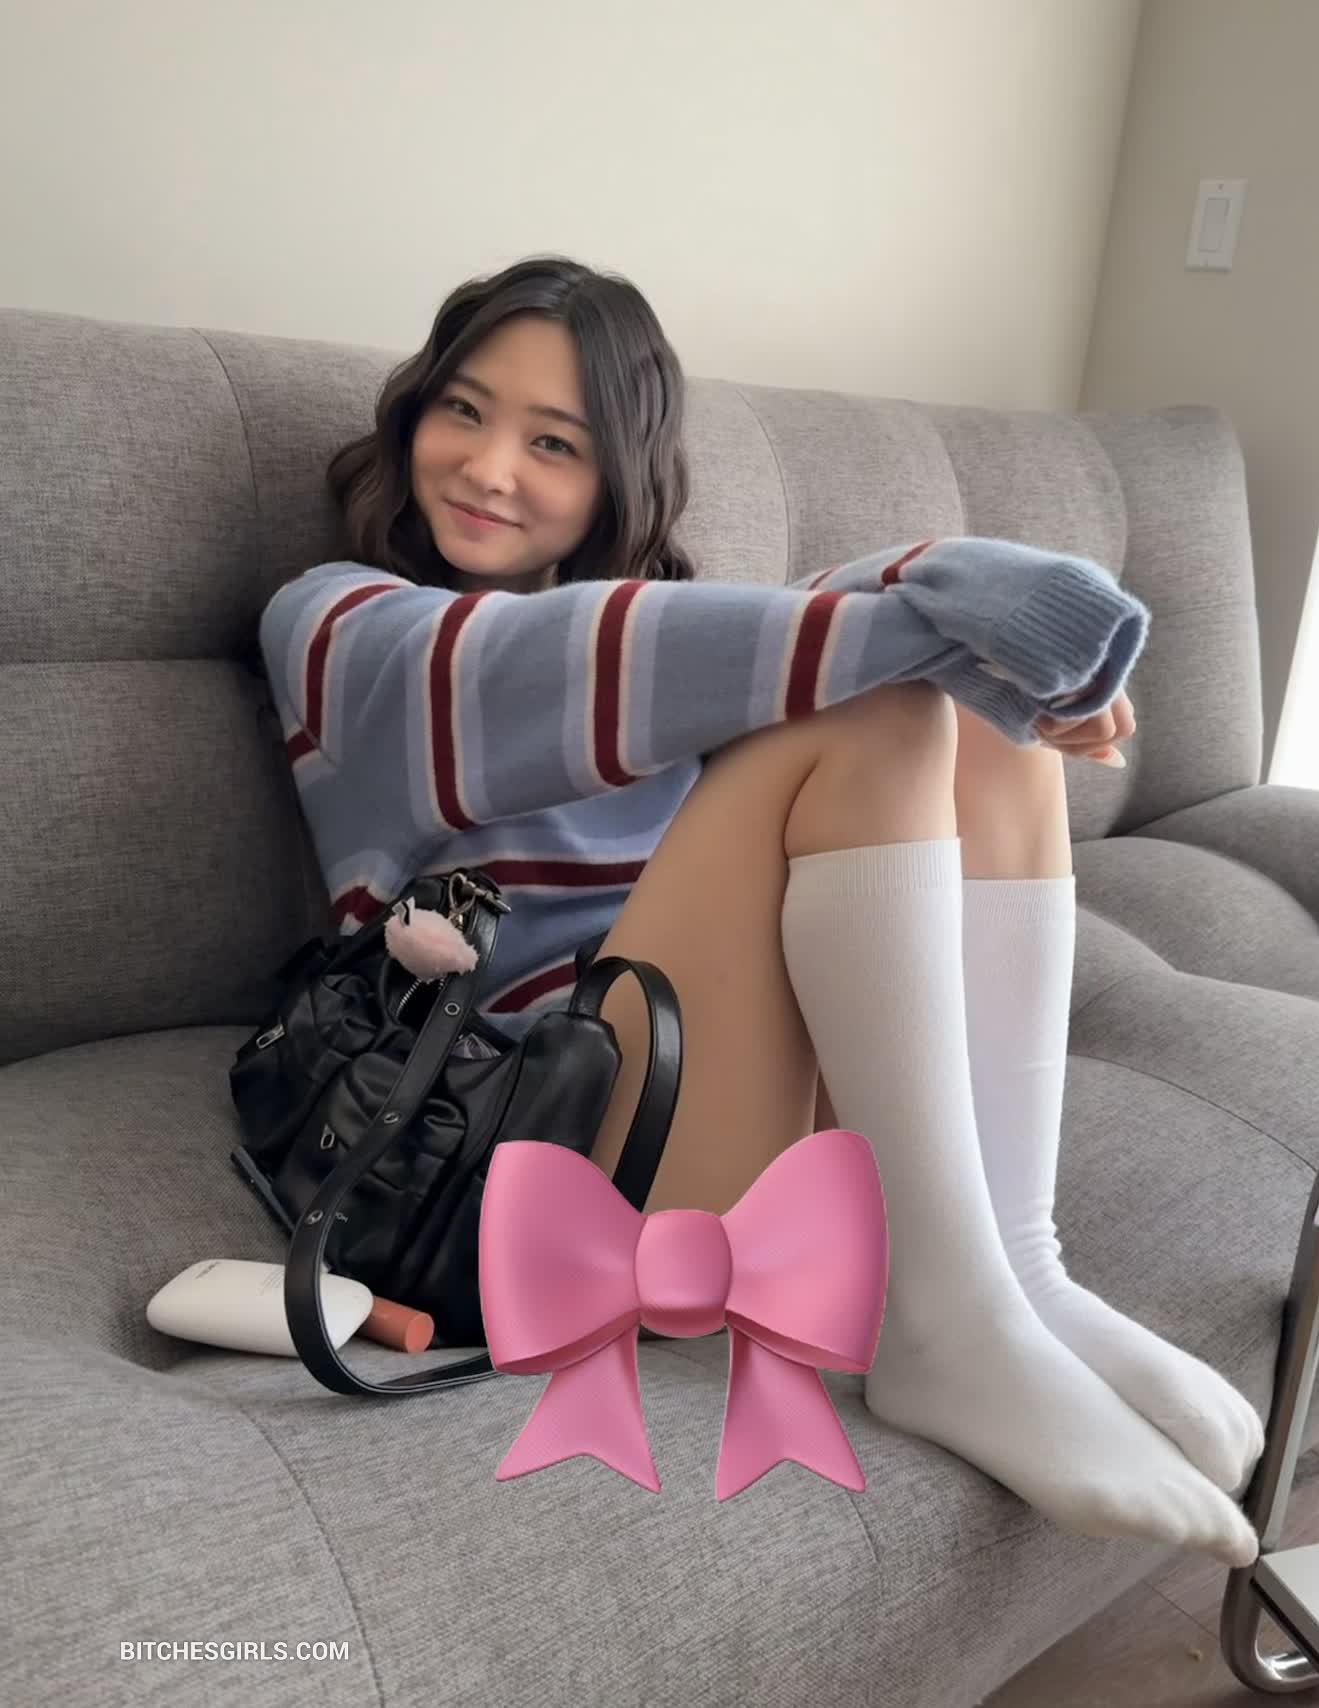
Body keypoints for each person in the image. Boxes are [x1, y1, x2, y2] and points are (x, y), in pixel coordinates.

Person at [260, 254, 1263, 1565]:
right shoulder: (338, 625)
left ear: (615, 480)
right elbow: (516, 670)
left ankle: (1019, 1269)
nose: (489, 468)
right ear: (412, 417)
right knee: (888, 705)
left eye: (552, 442)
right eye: (463, 410)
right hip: (526, 1161)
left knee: (981, 720)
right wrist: (948, 616)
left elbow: (770, 624)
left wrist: (979, 614)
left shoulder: (673, 644)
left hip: (699, 1114)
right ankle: (943, 1324)